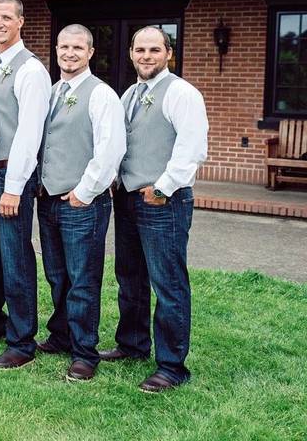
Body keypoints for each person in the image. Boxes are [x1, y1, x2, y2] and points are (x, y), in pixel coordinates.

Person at [101, 26, 208, 393]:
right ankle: (132, 345)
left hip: (164, 200)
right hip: (129, 196)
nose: (146, 56)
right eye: (140, 50)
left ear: (168, 54)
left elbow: (192, 147)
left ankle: (172, 364)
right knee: (130, 275)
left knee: (168, 281)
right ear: (131, 54)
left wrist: (163, 187)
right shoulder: (129, 93)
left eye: (154, 50)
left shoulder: (181, 93)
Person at [36, 25, 126, 381]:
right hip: (48, 200)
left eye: (77, 47)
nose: (69, 53)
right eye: (64, 46)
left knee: (83, 279)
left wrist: (83, 192)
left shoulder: (101, 94)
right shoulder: (53, 91)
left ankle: (85, 352)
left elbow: (110, 150)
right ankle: (61, 335)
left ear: (90, 53)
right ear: (56, 49)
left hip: (82, 203)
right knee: (57, 275)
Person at [0, 0, 51, 370]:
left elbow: (30, 133)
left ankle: (21, 340)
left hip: (10, 173)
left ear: (21, 21)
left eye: (6, 17)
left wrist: (14, 186)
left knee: (15, 255)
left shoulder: (31, 70)